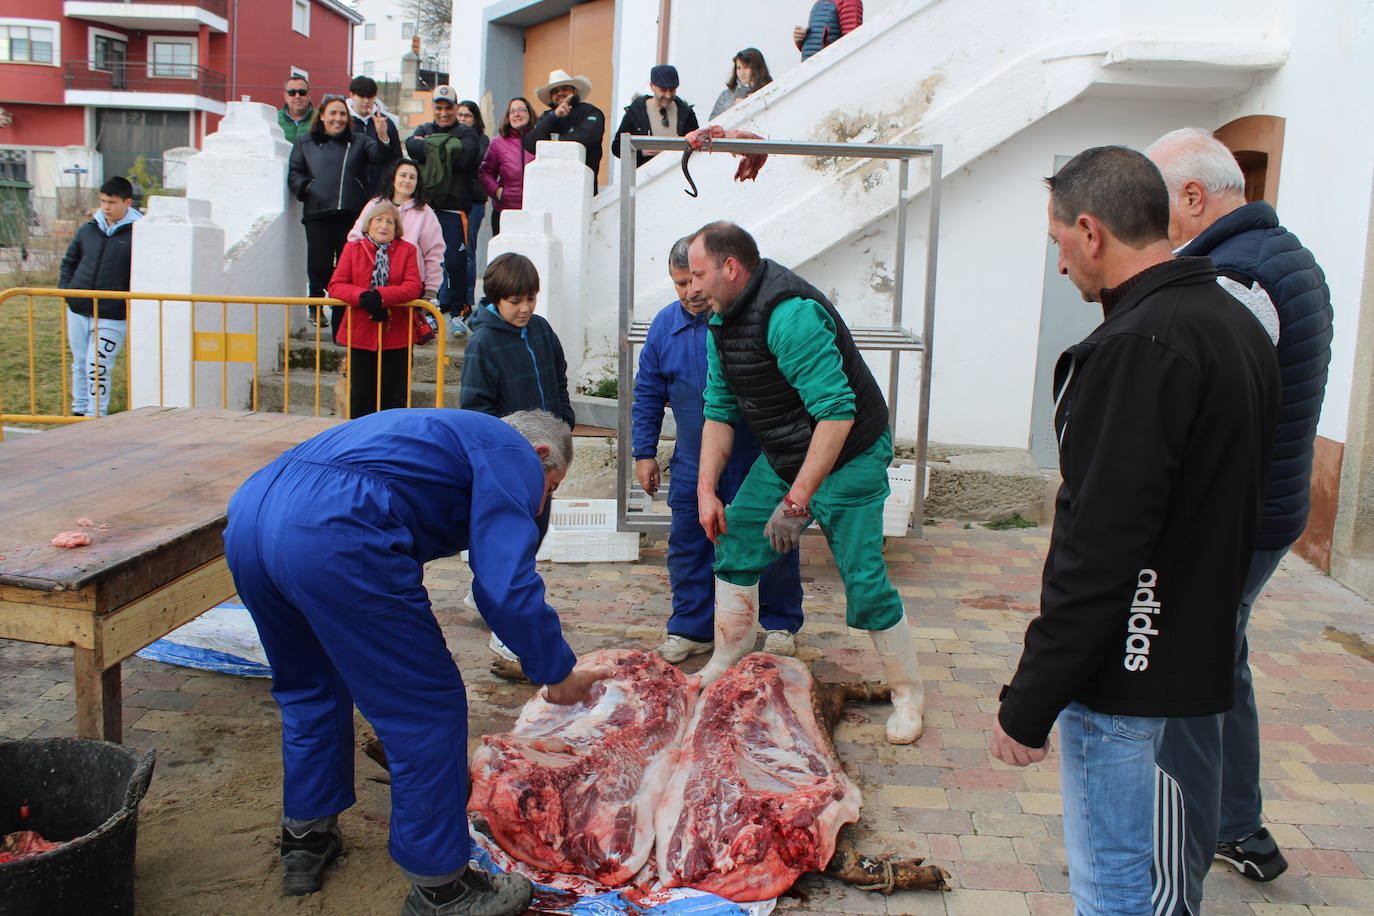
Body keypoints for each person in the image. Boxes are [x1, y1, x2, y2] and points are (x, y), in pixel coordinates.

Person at [989, 146, 1280, 916]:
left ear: (1091, 232)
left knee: (1117, 885)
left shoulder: (1137, 348)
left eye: (1057, 242)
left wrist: (1030, 701)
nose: (1059, 266)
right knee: (1161, 883)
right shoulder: (1234, 320)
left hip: (1129, 673)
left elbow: (1100, 545)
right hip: (1188, 660)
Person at [223, 407, 611, 916]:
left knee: (309, 686)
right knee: (424, 709)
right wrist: (557, 673)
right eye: (550, 487)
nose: (542, 502)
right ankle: (442, 889)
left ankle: (306, 838)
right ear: (541, 456)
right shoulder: (511, 453)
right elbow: (504, 587)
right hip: (335, 530)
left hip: (252, 516)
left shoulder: (442, 432)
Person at [1143, 128, 1333, 907]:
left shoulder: (1237, 277)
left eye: (1160, 206)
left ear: (1193, 197)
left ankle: (1174, 874)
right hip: (1274, 506)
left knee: (1187, 685)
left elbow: (1211, 412)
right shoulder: (1283, 251)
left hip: (1239, 520)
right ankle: (1240, 826)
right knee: (1226, 660)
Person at [685, 221, 924, 745]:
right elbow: (719, 413)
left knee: (862, 577)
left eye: (699, 275)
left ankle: (907, 693)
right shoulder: (720, 321)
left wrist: (796, 504)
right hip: (791, 449)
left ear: (731, 268)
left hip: (852, 452)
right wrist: (707, 491)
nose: (691, 286)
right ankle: (728, 657)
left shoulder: (790, 315)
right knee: (738, 541)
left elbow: (837, 415)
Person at [634, 236, 803, 663]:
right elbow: (648, 394)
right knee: (689, 542)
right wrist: (644, 452)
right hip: (694, 458)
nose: (690, 291)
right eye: (678, 283)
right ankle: (691, 628)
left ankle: (780, 623)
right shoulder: (663, 327)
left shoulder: (744, 319)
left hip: (756, 457)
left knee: (773, 539)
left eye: (694, 279)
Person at [460, 252, 575, 663]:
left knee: (535, 530)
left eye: (531, 298)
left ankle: (495, 596)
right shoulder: (484, 344)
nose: (525, 309)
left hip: (546, 456)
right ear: (496, 300)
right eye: (516, 301)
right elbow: (474, 409)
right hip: (509, 464)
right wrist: (510, 448)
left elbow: (559, 375)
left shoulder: (541, 330)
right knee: (509, 540)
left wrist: (564, 418)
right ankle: (502, 613)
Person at [288, 94, 400, 337]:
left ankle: (341, 323)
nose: (338, 119)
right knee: (318, 266)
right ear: (323, 117)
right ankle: (316, 306)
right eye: (333, 113)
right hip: (318, 212)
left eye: (342, 114)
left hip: (350, 213)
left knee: (348, 271)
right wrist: (307, 187)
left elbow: (382, 157)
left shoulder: (359, 141)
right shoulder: (304, 141)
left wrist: (382, 136)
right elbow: (295, 172)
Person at [328, 200, 423, 418]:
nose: (384, 225)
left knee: (394, 397)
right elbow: (336, 285)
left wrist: (381, 296)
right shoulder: (353, 249)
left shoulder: (406, 250)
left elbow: (413, 286)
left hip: (396, 333)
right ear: (368, 224)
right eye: (379, 220)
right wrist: (362, 297)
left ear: (396, 227)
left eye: (390, 221)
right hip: (360, 332)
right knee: (360, 396)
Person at [58, 176, 141, 418]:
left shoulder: (139, 232)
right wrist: (68, 291)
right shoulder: (88, 229)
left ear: (127, 202)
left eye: (112, 202)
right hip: (79, 308)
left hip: (112, 314)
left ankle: (96, 415)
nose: (106, 207)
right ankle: (79, 410)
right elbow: (70, 261)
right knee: (80, 362)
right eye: (103, 201)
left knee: (99, 366)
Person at [406, 85, 482, 333]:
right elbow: (411, 147)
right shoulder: (423, 129)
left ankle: (459, 313)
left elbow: (468, 157)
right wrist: (447, 147)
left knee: (455, 262)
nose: (443, 112)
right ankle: (427, 311)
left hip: (454, 209)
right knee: (424, 261)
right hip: (426, 207)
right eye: (438, 107)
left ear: (455, 107)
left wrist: (430, 147)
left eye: (447, 107)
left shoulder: (467, 133)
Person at [348, 159, 445, 307]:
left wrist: (431, 291)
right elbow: (355, 239)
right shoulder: (374, 205)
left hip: (409, 287)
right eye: (403, 175)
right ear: (393, 178)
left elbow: (434, 253)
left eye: (412, 177)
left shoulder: (424, 212)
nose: (407, 180)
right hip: (370, 283)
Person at [524, 69, 605, 185]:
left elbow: (588, 136)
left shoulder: (590, 112)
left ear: (575, 91)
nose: (560, 93)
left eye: (565, 89)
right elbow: (530, 144)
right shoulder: (547, 117)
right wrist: (554, 117)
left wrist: (554, 140)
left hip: (581, 184)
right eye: (555, 91)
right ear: (551, 97)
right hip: (548, 184)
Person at [611, 65, 700, 168]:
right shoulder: (635, 112)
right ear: (652, 86)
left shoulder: (686, 113)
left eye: (672, 90)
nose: (668, 95)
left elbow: (697, 146)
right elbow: (617, 147)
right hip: (645, 176)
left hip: (678, 174)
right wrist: (641, 152)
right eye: (663, 89)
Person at [479, 97, 535, 236]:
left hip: (534, 210)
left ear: (530, 114)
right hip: (505, 211)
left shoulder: (540, 138)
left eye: (521, 110)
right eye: (512, 111)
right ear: (508, 116)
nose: (517, 114)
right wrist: (497, 191)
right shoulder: (498, 143)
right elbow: (485, 172)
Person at [455, 100, 489, 310]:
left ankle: (467, 299)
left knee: (468, 251)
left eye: (467, 115)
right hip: (450, 201)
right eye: (459, 114)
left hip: (474, 202)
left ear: (475, 119)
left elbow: (475, 159)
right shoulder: (449, 134)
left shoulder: (481, 139)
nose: (462, 118)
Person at [346, 75, 401, 191]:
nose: (366, 101)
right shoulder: (344, 122)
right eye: (361, 96)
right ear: (351, 95)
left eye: (370, 97)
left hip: (380, 191)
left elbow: (397, 159)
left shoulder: (386, 122)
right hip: (349, 191)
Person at [710, 48, 773, 119]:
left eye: (746, 68)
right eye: (739, 68)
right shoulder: (726, 95)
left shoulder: (769, 90)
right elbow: (711, 123)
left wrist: (754, 103)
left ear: (757, 68)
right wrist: (731, 105)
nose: (742, 73)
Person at [794, 0, 863, 60]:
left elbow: (851, 41)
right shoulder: (819, 4)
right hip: (810, 68)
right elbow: (816, 40)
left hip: (831, 68)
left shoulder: (849, 1)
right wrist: (801, 39)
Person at [278, 74, 314, 144]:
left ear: (309, 95)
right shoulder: (274, 119)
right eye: (292, 93)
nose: (297, 96)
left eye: (302, 92)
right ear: (285, 96)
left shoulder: (320, 119)